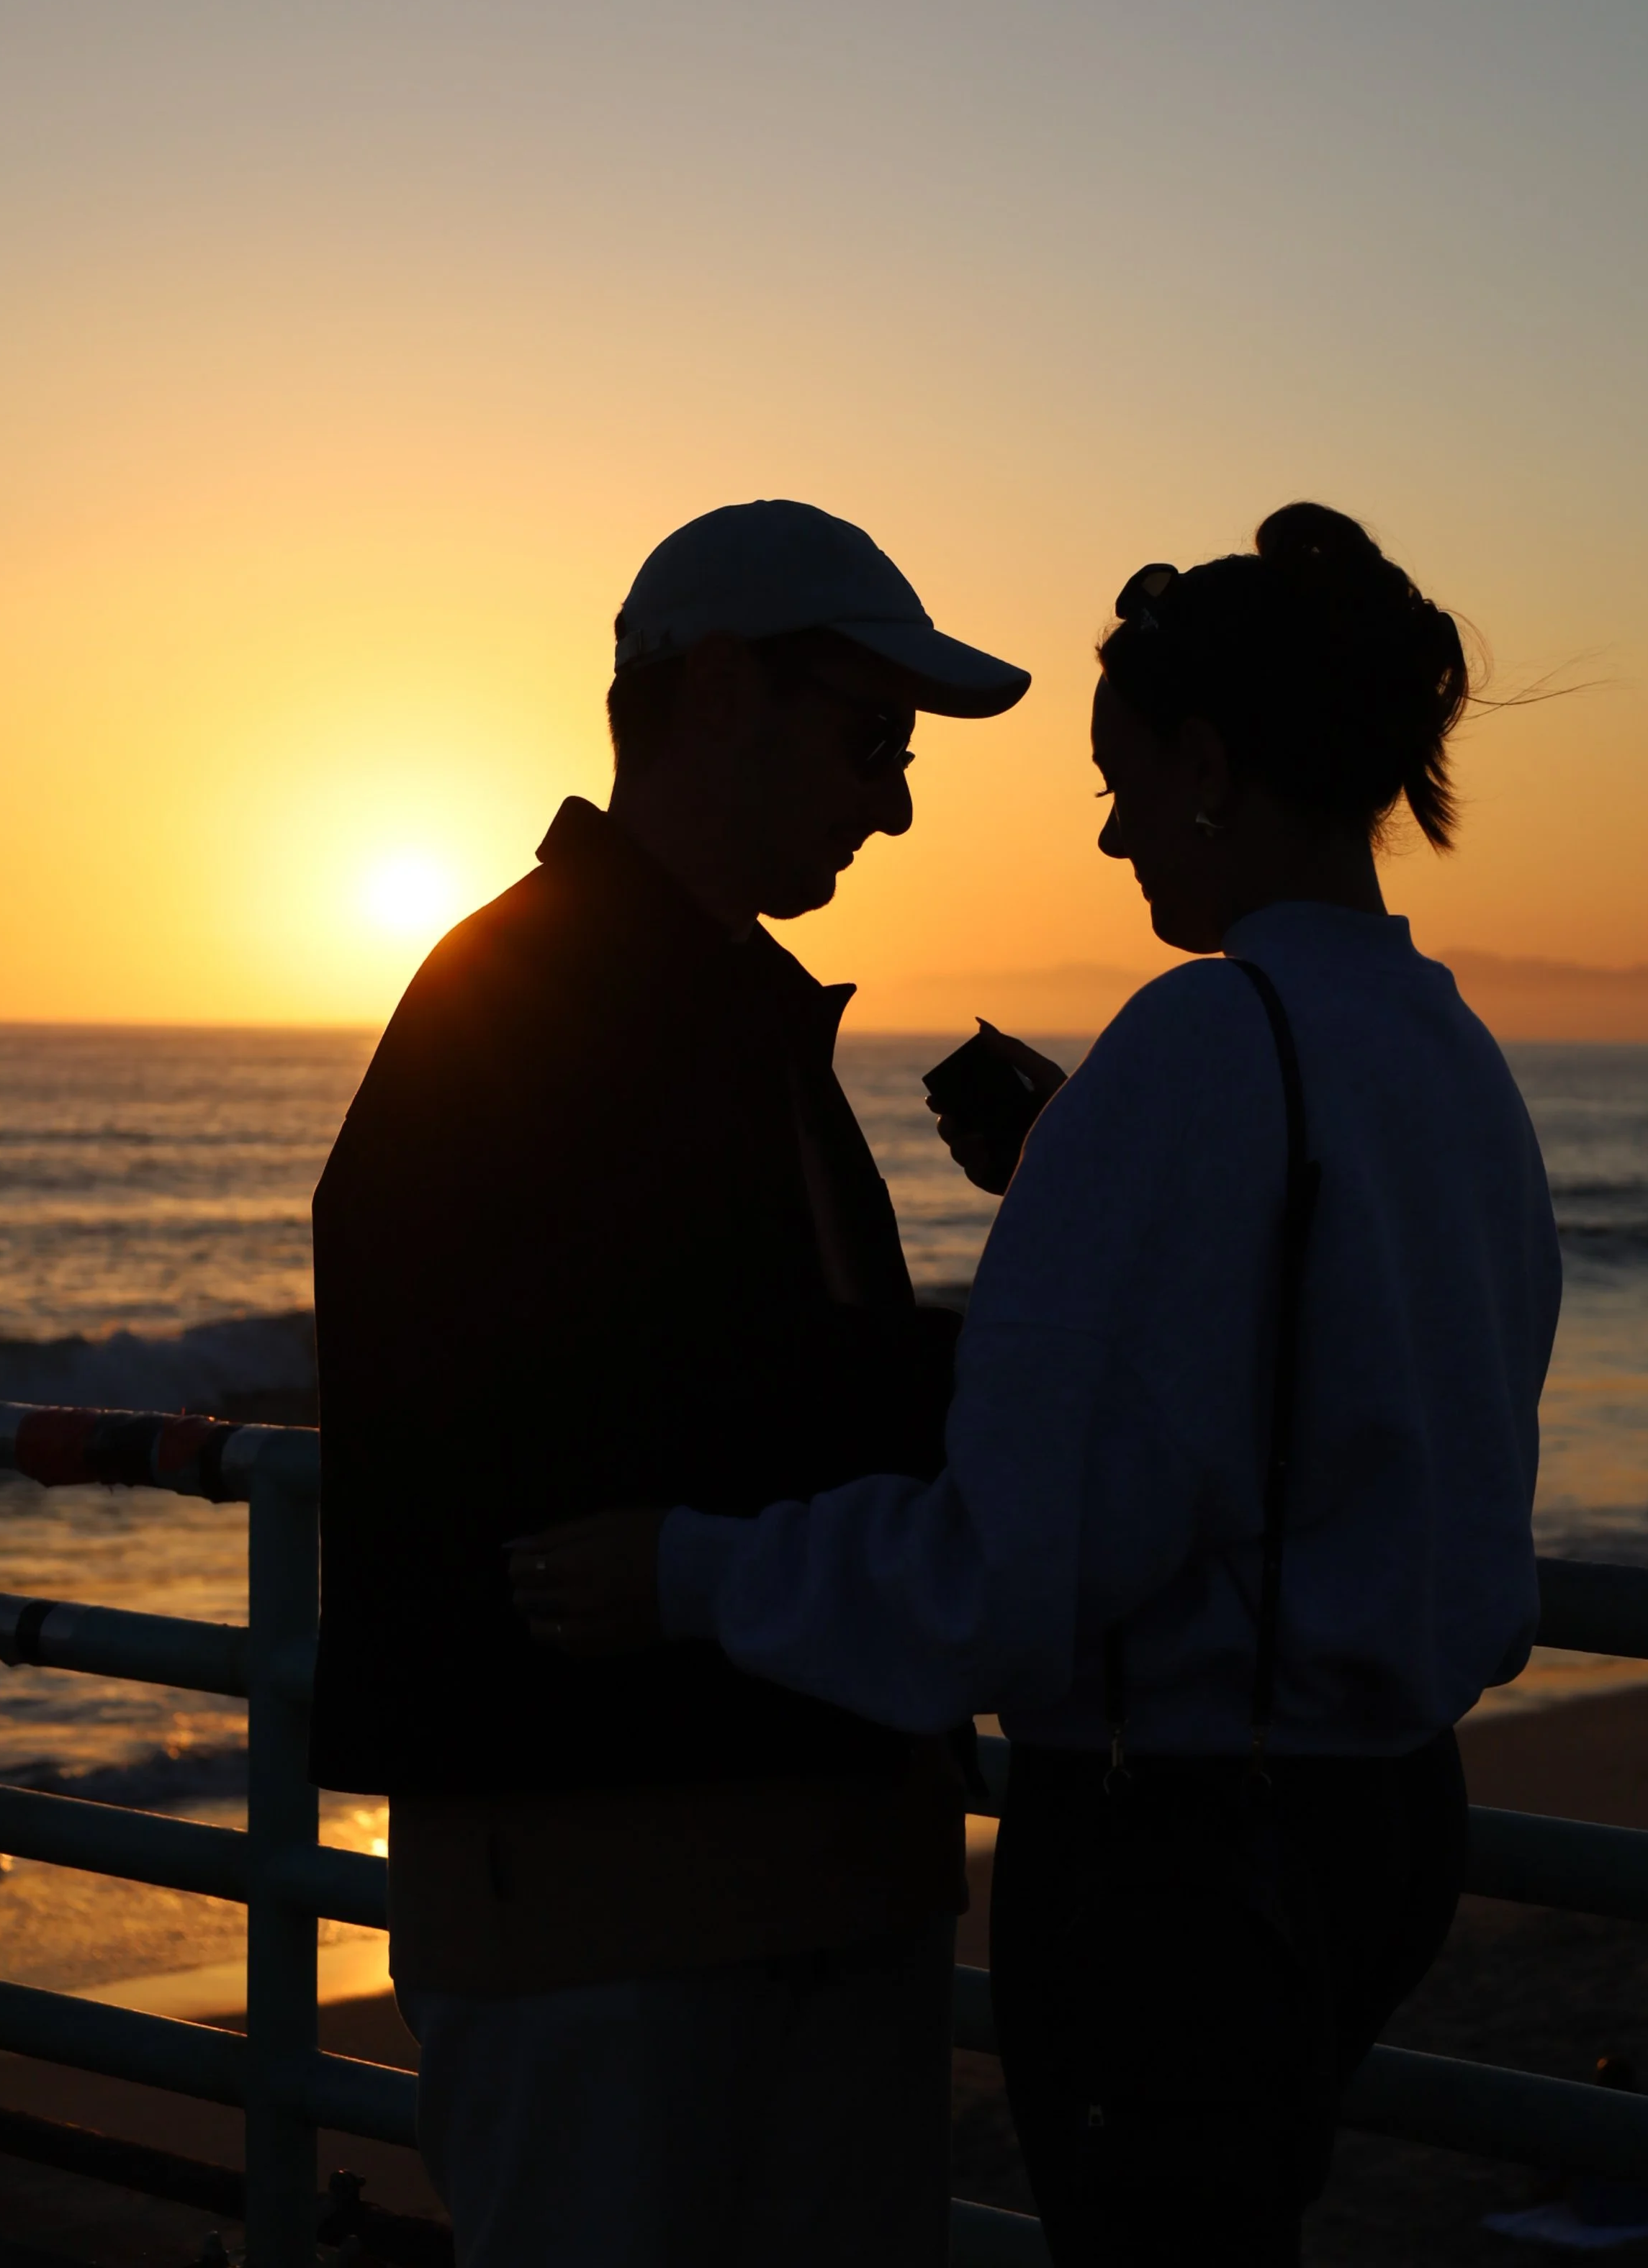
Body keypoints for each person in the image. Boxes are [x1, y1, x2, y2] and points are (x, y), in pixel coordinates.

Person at [522, 503, 1562, 2266]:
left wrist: (684, 1568)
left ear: (1213, 764)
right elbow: (1333, 1367)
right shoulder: (1444, 1050)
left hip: (1189, 1841)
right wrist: (1082, 1178)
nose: (1107, 831)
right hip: (1386, 1815)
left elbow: (1006, 1576)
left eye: (1123, 777)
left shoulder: (1202, 1046)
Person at [307, 498, 1029, 2268]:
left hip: (748, 1879)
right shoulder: (552, 998)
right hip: (622, 1899)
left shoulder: (692, 1000)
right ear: (719, 697)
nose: (896, 801)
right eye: (874, 739)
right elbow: (566, 1416)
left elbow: (695, 1390)